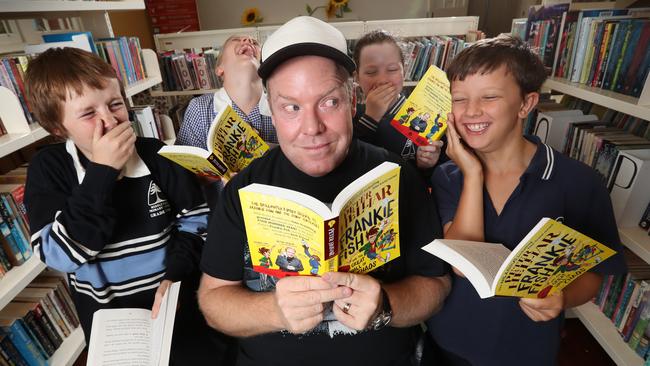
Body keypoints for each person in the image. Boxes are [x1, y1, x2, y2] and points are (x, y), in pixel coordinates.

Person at [198, 16, 451, 366]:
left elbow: (435, 287)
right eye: (291, 107)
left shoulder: (399, 175)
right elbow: (213, 302)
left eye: (328, 102)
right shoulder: (242, 189)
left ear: (352, 100)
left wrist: (385, 306)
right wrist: (274, 309)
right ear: (271, 110)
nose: (312, 128)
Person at [426, 35, 627, 365]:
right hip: (448, 343)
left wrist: (560, 298)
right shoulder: (448, 177)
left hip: (526, 351)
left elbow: (593, 275)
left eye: (489, 97)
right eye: (459, 99)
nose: (471, 111)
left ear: (525, 104)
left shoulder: (578, 183)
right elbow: (461, 264)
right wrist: (472, 176)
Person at [23, 47, 214, 364]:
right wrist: (102, 173)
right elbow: (60, 254)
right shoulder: (50, 167)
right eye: (88, 114)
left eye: (115, 104)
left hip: (176, 309)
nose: (110, 120)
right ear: (58, 127)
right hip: (112, 330)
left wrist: (176, 275)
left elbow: (195, 223)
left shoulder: (156, 154)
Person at [352, 30, 443, 171]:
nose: (382, 80)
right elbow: (352, 164)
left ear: (404, 70)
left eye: (392, 69)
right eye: (371, 72)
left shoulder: (425, 115)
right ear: (357, 77)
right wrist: (370, 118)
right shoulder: (351, 117)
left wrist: (427, 165)